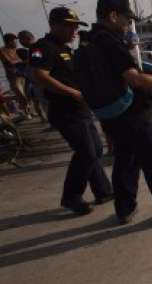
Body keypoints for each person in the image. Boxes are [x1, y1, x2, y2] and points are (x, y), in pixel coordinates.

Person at [74, 0, 152, 224]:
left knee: (125, 158)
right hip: (132, 113)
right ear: (114, 16)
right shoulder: (110, 41)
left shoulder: (87, 41)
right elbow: (135, 79)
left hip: (110, 113)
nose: (128, 24)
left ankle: (125, 209)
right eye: (127, 19)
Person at [30, 7, 113, 215]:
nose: (74, 30)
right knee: (86, 151)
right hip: (64, 110)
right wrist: (72, 93)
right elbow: (39, 75)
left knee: (95, 149)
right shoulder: (43, 48)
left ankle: (103, 190)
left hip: (81, 109)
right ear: (54, 25)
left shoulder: (66, 49)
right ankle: (71, 197)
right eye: (69, 26)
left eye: (76, 26)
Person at [17, 30, 47, 122]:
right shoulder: (33, 49)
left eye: (21, 41)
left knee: (47, 104)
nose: (21, 43)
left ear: (27, 38)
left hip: (42, 82)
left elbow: (37, 63)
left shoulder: (36, 48)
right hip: (38, 82)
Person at [0, 33, 30, 117]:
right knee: (20, 94)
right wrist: (21, 61)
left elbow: (19, 60)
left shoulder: (16, 50)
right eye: (14, 41)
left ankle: (28, 110)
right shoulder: (3, 50)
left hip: (22, 74)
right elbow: (9, 62)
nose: (16, 42)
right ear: (9, 41)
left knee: (26, 93)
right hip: (13, 77)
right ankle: (26, 112)